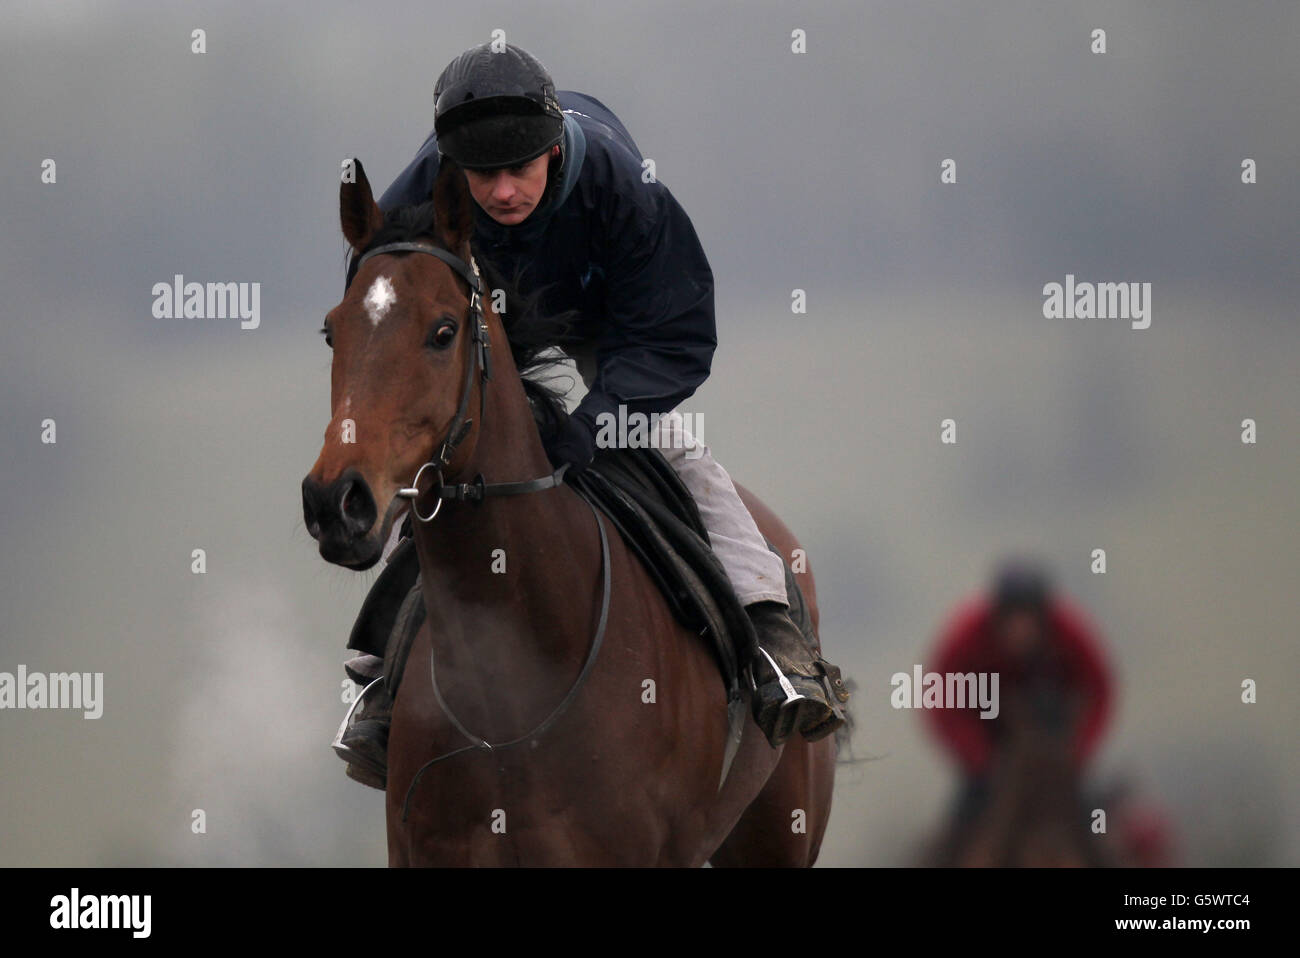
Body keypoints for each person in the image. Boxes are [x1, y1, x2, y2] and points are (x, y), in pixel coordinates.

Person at [336, 42, 848, 786]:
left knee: (683, 456)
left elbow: (676, 332)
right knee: (438, 476)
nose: (505, 191)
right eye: (484, 175)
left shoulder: (623, 185)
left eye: (522, 169)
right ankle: (384, 677)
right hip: (485, 338)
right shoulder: (424, 186)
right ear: (453, 166)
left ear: (553, 148)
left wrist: (596, 423)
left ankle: (774, 637)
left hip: (616, 339)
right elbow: (379, 299)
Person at [923, 560, 1113, 827]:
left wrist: (1076, 753)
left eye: (1028, 619)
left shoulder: (1070, 632)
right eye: (1012, 619)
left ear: (1043, 618)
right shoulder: (965, 637)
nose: (1020, 630)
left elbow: (1100, 690)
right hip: (989, 753)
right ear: (997, 617)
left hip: (1055, 748)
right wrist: (981, 760)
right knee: (958, 830)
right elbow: (942, 705)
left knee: (1093, 828)